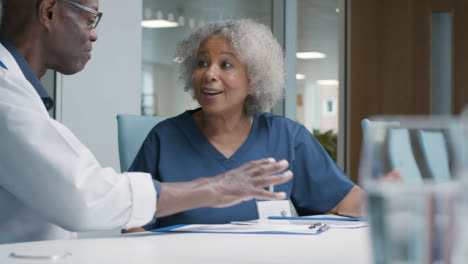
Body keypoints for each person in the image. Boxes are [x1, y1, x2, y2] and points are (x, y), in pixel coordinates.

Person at [0, 0, 293, 244]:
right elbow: (85, 197)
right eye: (90, 19)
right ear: (48, 11)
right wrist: (214, 189)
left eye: (226, 65)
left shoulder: (287, 134)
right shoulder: (6, 95)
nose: (94, 34)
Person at [129, 19, 364, 230]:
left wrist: (391, 198)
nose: (209, 73)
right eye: (202, 62)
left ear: (254, 79)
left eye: (226, 64)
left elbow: (345, 200)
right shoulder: (163, 138)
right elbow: (132, 222)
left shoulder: (287, 137)